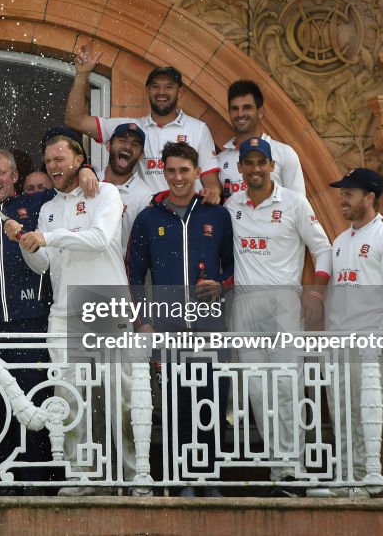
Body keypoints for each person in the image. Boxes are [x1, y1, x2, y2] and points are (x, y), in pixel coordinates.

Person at [4, 131, 138, 496]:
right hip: (64, 313)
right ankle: (83, 476)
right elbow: (42, 265)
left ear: (79, 160)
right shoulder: (47, 208)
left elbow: (99, 238)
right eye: (48, 161)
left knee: (121, 397)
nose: (53, 166)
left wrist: (48, 237)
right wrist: (25, 241)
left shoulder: (104, 192)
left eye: (59, 159)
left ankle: (134, 478)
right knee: (70, 398)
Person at [225, 137, 332, 496]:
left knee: (287, 385)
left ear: (272, 166)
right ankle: (278, 470)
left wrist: (316, 292)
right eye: (248, 162)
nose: (255, 169)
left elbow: (323, 249)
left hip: (284, 300)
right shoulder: (231, 206)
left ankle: (294, 469)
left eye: (262, 162)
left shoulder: (293, 202)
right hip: (245, 302)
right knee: (258, 389)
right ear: (240, 167)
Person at [127, 141, 233, 498]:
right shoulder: (149, 218)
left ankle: (211, 479)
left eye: (184, 171)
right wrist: (143, 321)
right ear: (164, 172)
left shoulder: (216, 215)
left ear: (196, 171)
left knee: (213, 402)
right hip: (169, 327)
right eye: (171, 170)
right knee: (177, 406)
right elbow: (133, 273)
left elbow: (233, 266)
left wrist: (221, 285)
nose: (177, 178)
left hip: (210, 325)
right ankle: (182, 480)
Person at [324, 168, 383, 497]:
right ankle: (348, 478)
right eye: (341, 193)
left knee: (368, 412)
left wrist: (380, 338)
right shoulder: (341, 241)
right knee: (342, 412)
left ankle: (369, 479)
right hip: (339, 343)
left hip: (369, 343)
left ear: (369, 197)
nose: (341, 199)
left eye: (349, 193)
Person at [64, 42, 222, 202]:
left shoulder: (198, 129)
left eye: (168, 87)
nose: (161, 92)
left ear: (180, 91)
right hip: (145, 216)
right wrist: (82, 75)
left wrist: (212, 195)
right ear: (148, 90)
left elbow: (212, 184)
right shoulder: (130, 128)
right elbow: (75, 120)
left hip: (185, 216)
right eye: (155, 86)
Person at [217, 80, 306, 198]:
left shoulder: (284, 153)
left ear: (260, 112)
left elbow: (299, 205)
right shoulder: (219, 160)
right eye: (235, 108)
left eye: (247, 107)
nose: (240, 114)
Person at [97, 122, 155, 252]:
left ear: (141, 155)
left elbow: (141, 250)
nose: (128, 147)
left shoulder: (144, 197)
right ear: (108, 145)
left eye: (135, 144)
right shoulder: (90, 182)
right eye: (122, 140)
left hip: (122, 271)